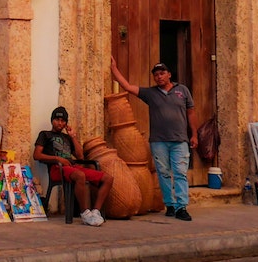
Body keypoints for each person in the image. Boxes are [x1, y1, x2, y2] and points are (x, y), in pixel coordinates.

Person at [111, 57, 198, 221]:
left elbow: (191, 113)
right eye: (156, 75)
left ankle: (181, 207)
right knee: (163, 173)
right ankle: (170, 205)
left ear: (169, 74)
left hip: (180, 140)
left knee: (180, 173)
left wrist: (194, 134)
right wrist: (114, 69)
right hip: (159, 141)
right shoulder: (150, 93)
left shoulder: (182, 91)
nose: (159, 77)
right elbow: (128, 87)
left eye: (162, 73)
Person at [34, 106, 111, 226]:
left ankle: (96, 212)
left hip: (72, 167)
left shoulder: (67, 138)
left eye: (63, 121)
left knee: (108, 178)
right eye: (57, 120)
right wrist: (57, 159)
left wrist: (73, 137)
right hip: (57, 168)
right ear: (52, 120)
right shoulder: (45, 135)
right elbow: (37, 155)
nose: (60, 123)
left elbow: (80, 156)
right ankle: (85, 213)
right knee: (80, 175)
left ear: (66, 123)